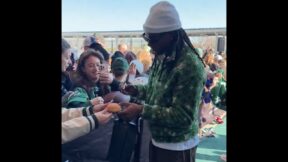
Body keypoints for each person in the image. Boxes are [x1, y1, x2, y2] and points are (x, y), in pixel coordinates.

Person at [118, 1, 206, 162]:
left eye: (154, 38)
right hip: (158, 140)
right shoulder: (162, 56)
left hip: (178, 147)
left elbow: (183, 117)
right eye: (147, 37)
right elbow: (158, 92)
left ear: (171, 35)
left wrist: (140, 110)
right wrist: (137, 91)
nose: (149, 43)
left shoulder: (190, 65)